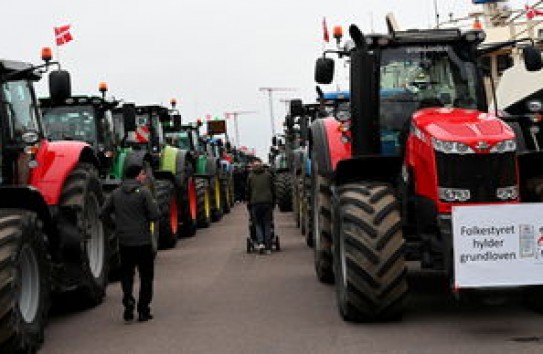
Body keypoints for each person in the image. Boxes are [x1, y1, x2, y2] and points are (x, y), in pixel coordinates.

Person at [100, 164, 160, 322]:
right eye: (142, 174)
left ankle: (128, 300)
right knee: (146, 276)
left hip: (124, 242)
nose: (144, 177)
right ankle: (143, 310)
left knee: (127, 275)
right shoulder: (144, 193)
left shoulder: (115, 193)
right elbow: (155, 215)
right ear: (136, 176)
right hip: (143, 242)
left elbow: (103, 213)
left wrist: (115, 226)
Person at [246, 158, 275, 254]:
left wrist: (248, 202)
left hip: (255, 203)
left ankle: (260, 243)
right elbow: (273, 189)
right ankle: (268, 246)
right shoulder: (268, 175)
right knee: (267, 224)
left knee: (257, 224)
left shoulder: (250, 176)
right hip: (267, 202)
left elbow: (248, 191)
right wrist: (274, 201)